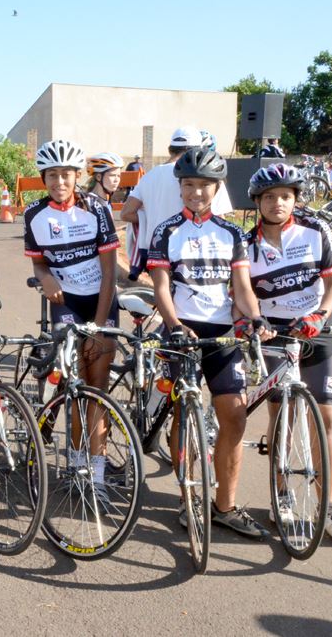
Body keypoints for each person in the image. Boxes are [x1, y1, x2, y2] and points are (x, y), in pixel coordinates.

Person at [147, 147, 272, 538]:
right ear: (180, 187)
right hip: (181, 332)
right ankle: (189, 497)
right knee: (185, 414)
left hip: (221, 334)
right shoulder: (166, 231)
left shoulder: (231, 232)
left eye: (204, 186)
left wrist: (253, 317)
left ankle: (226, 506)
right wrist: (173, 323)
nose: (196, 192)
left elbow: (241, 288)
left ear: (217, 189)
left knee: (233, 415)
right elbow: (162, 288)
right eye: (189, 185)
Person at [245, 163, 332, 543]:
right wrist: (254, 321)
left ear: (296, 199)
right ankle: (282, 497)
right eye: (270, 197)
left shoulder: (315, 230)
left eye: (286, 196)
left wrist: (320, 315)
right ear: (258, 201)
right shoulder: (248, 244)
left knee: (326, 420)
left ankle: (328, 507)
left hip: (317, 331)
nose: (278, 203)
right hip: (276, 334)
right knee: (283, 419)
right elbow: (242, 295)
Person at [24, 140, 119, 502]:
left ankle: (95, 473)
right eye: (52, 175)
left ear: (77, 176)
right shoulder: (35, 215)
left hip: (101, 301)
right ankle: (76, 463)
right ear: (44, 178)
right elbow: (38, 260)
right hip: (65, 304)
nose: (59, 181)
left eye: (66, 174)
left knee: (97, 388)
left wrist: (98, 325)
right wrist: (45, 275)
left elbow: (110, 273)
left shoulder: (97, 209)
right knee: (76, 381)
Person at [119, 126, 234, 280]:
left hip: (155, 250)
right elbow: (220, 218)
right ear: (197, 150)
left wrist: (149, 216)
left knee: (163, 296)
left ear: (170, 149)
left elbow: (126, 213)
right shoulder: (207, 176)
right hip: (192, 250)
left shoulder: (149, 176)